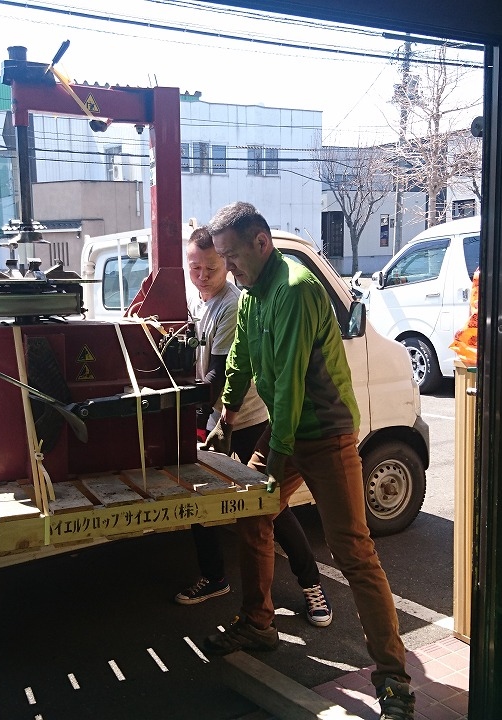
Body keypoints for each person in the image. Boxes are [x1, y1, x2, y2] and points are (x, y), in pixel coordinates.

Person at [201, 202, 416, 720]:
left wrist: (273, 466)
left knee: (353, 551)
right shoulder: (252, 295)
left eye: (232, 256)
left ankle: (394, 680)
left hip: (326, 433)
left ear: (261, 243)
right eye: (221, 258)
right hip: (286, 427)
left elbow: (292, 386)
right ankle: (259, 623)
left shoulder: (295, 288)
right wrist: (226, 413)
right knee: (254, 516)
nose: (227, 268)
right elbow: (242, 357)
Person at [178, 227, 333, 629]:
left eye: (212, 267)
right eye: (195, 267)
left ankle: (312, 584)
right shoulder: (199, 301)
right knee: (198, 498)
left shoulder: (235, 303)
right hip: (218, 419)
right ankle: (216, 577)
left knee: (271, 507)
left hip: (248, 421)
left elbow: (224, 373)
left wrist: (191, 407)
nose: (203, 275)